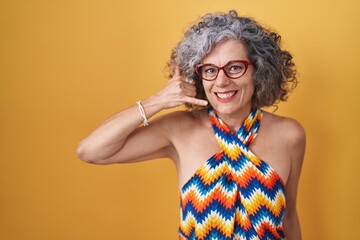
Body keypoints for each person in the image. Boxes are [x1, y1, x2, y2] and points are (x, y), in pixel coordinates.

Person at [76, 10, 305, 240]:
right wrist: (158, 101)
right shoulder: (180, 131)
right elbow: (90, 151)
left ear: (259, 70)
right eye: (210, 70)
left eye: (235, 67)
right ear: (198, 77)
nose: (221, 81)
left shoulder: (290, 135)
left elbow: (290, 216)